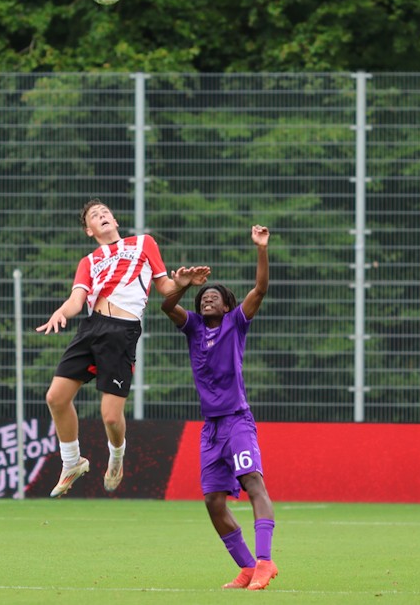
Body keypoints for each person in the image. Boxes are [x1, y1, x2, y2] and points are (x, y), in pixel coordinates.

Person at [36, 198, 208, 497]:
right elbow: (77, 300)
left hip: (122, 332)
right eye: (94, 215)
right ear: (89, 230)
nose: (101, 215)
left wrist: (183, 283)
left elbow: (166, 288)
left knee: (111, 417)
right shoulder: (88, 262)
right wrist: (61, 312)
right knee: (55, 397)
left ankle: (116, 457)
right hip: (91, 328)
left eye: (105, 212)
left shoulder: (143, 243)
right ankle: (72, 461)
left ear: (115, 221)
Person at [161, 225, 279, 591]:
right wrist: (183, 284)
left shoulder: (235, 323)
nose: (207, 299)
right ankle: (245, 568)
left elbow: (259, 290)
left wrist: (261, 249)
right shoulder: (193, 327)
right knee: (213, 501)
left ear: (227, 305)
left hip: (237, 421)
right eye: (204, 297)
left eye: (215, 296)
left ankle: (264, 561)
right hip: (210, 429)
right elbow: (166, 304)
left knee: (253, 483)